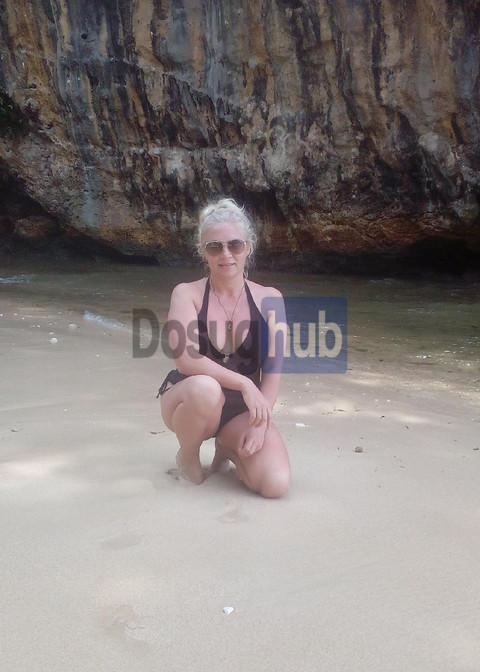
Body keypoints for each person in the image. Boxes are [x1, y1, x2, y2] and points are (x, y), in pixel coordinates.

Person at [158, 198, 291, 498]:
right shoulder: (186, 294)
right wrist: (245, 383)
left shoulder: (271, 299)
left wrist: (261, 424)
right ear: (202, 251)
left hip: (241, 412)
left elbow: (273, 371)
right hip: (190, 400)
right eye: (215, 247)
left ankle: (225, 447)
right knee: (206, 388)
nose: (226, 254)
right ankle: (188, 455)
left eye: (235, 245)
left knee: (275, 484)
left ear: (249, 248)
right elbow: (186, 360)